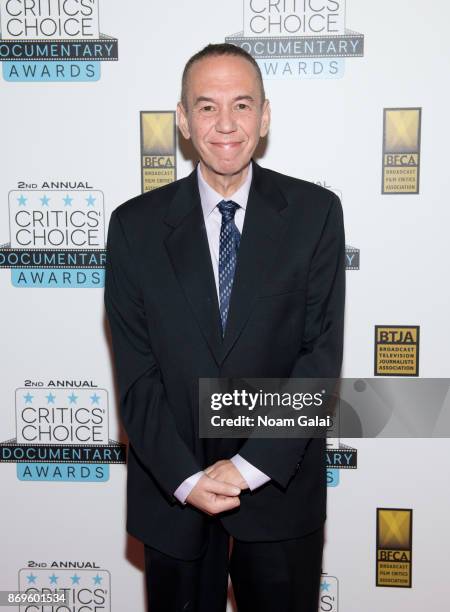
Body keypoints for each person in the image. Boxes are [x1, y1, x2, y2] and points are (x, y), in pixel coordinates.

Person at [104, 43, 345, 612]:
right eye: (206, 107)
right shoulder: (134, 228)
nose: (226, 124)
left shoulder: (316, 214)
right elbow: (137, 379)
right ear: (183, 121)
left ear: (264, 116)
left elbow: (318, 360)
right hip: (173, 491)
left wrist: (245, 467)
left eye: (241, 104)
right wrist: (187, 479)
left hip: (280, 488)